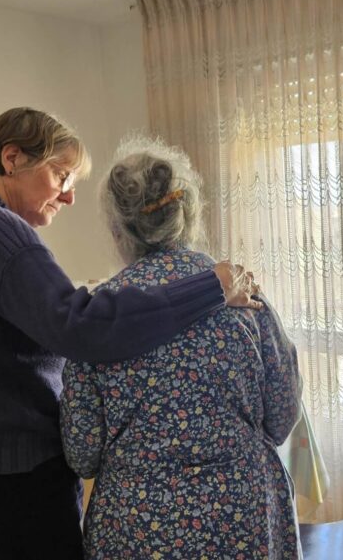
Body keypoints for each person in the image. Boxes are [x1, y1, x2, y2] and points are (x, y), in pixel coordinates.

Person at [0, 108, 260, 560]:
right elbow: (82, 327)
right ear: (11, 158)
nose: (67, 197)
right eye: (61, 176)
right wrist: (211, 287)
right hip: (0, 492)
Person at [60, 136, 302, 560]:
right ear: (187, 214)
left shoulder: (98, 316)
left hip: (138, 526)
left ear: (117, 228)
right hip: (242, 514)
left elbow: (82, 454)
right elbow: (282, 417)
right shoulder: (242, 291)